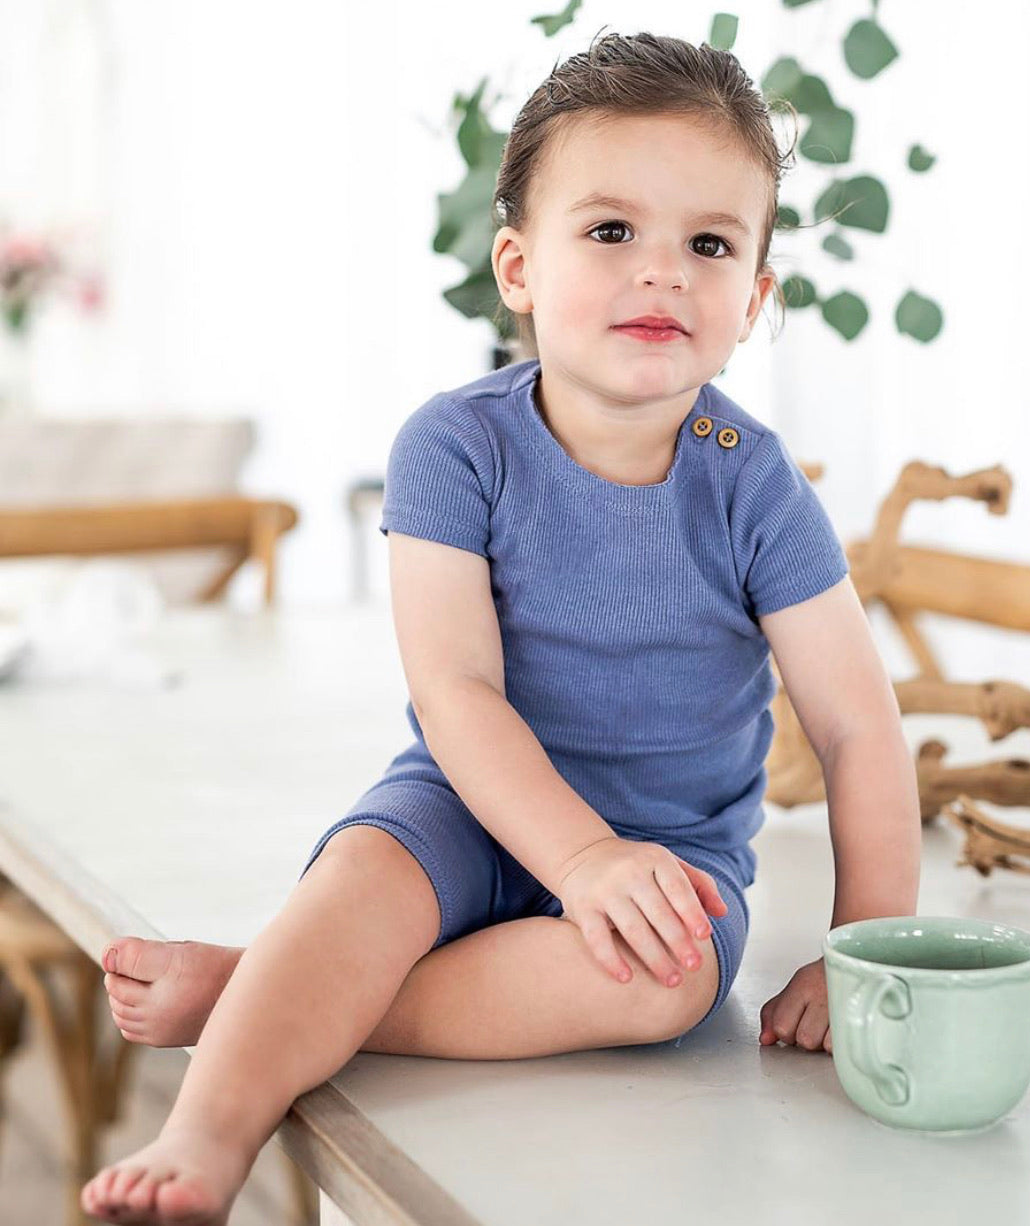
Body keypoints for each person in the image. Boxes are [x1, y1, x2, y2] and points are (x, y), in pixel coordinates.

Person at [81, 29, 921, 1224]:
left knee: (665, 985)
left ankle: (264, 993)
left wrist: (865, 947)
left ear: (756, 297)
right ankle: (207, 1135)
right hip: (467, 807)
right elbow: (457, 690)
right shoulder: (454, 444)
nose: (663, 273)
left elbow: (859, 729)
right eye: (612, 230)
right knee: (359, 880)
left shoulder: (757, 485)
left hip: (663, 848)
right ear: (520, 267)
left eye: (711, 244)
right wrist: (571, 859)